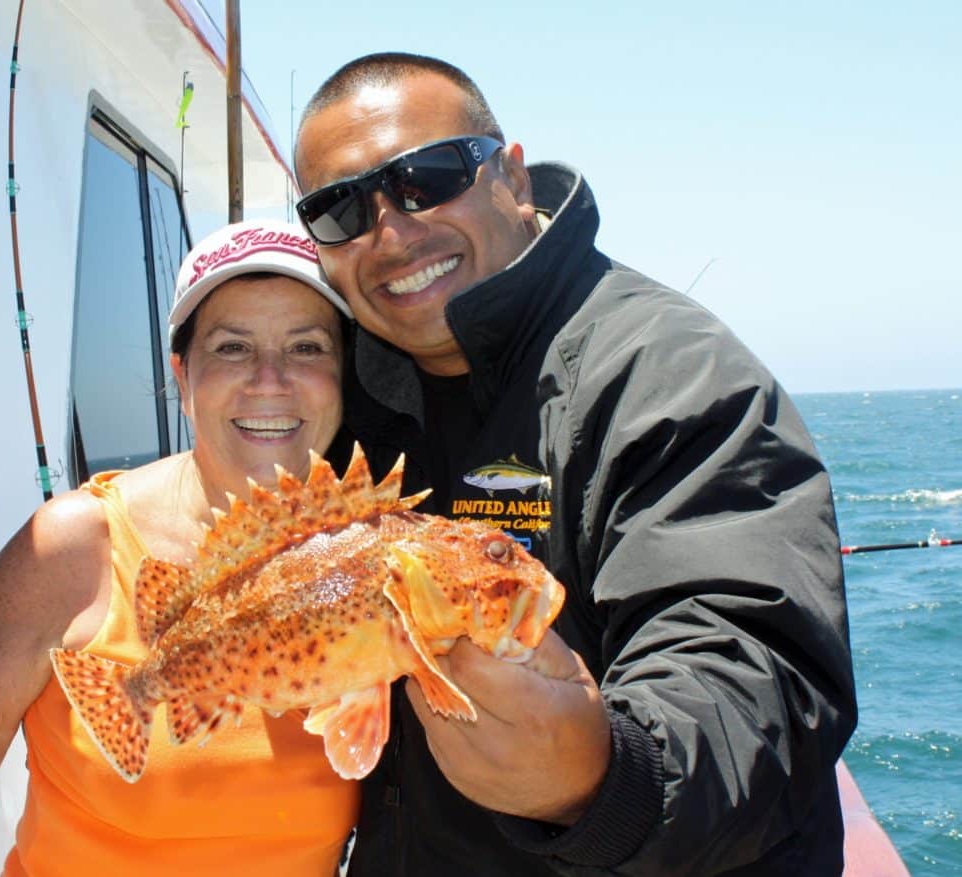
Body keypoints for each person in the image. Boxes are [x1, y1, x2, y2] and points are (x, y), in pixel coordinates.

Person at [293, 53, 858, 875]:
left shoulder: (673, 375)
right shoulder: (343, 394)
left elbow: (753, 667)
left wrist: (602, 776)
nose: (391, 229)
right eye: (341, 208)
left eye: (427, 176)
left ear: (513, 181)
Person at [0, 220, 359, 876]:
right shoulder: (74, 546)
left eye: (306, 347)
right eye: (232, 348)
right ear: (181, 375)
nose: (270, 379)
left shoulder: (365, 563)